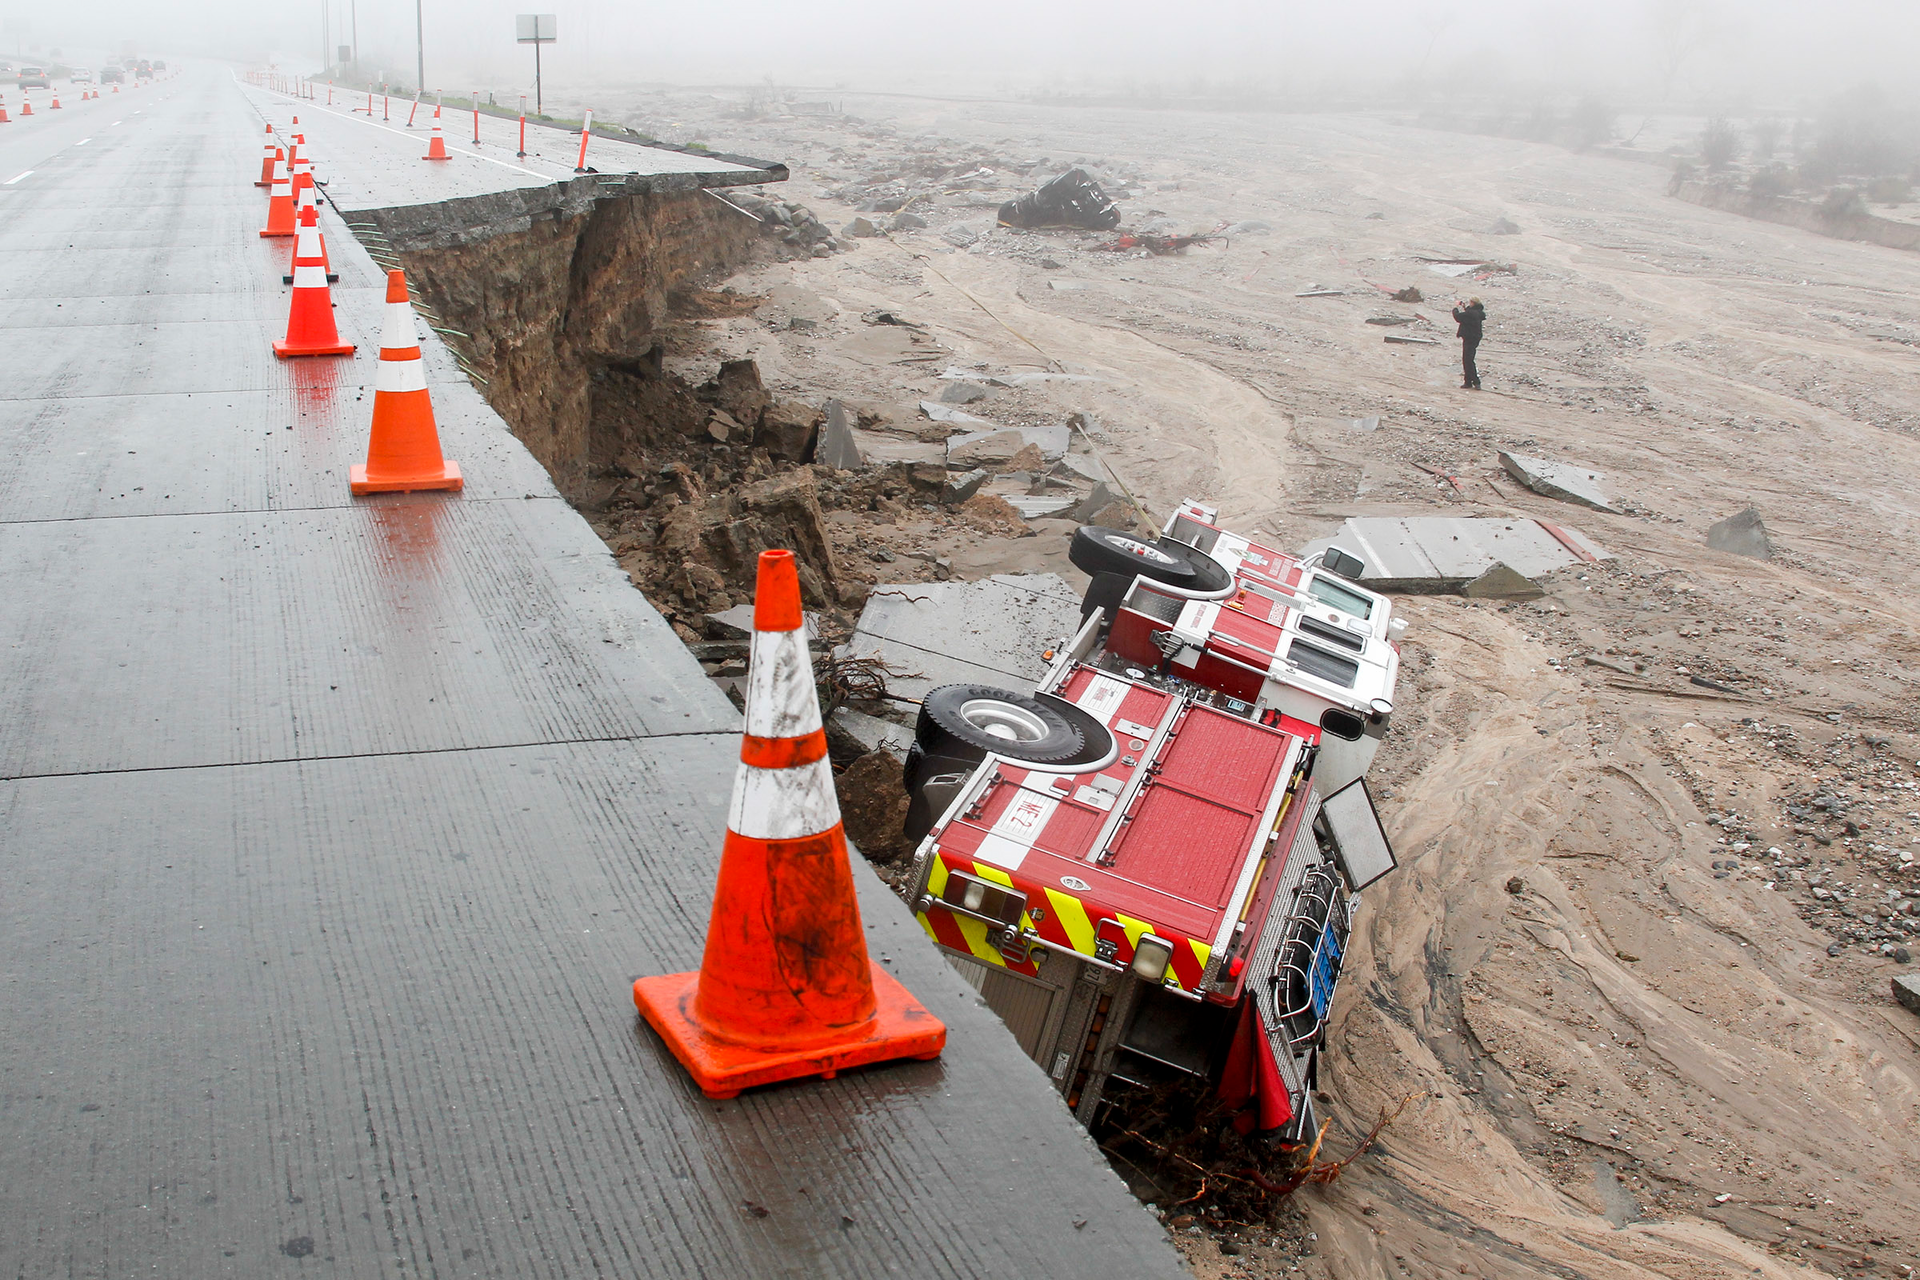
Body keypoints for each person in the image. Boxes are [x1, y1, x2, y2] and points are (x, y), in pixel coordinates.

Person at [1452, 297, 1486, 389]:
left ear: (1473, 303)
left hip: (1468, 338)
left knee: (1468, 361)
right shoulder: (1479, 313)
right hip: (1475, 338)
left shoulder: (1471, 313)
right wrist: (1464, 307)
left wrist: (1455, 308)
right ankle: (1468, 382)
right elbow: (1469, 314)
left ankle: (1475, 381)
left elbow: (1458, 317)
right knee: (1468, 360)